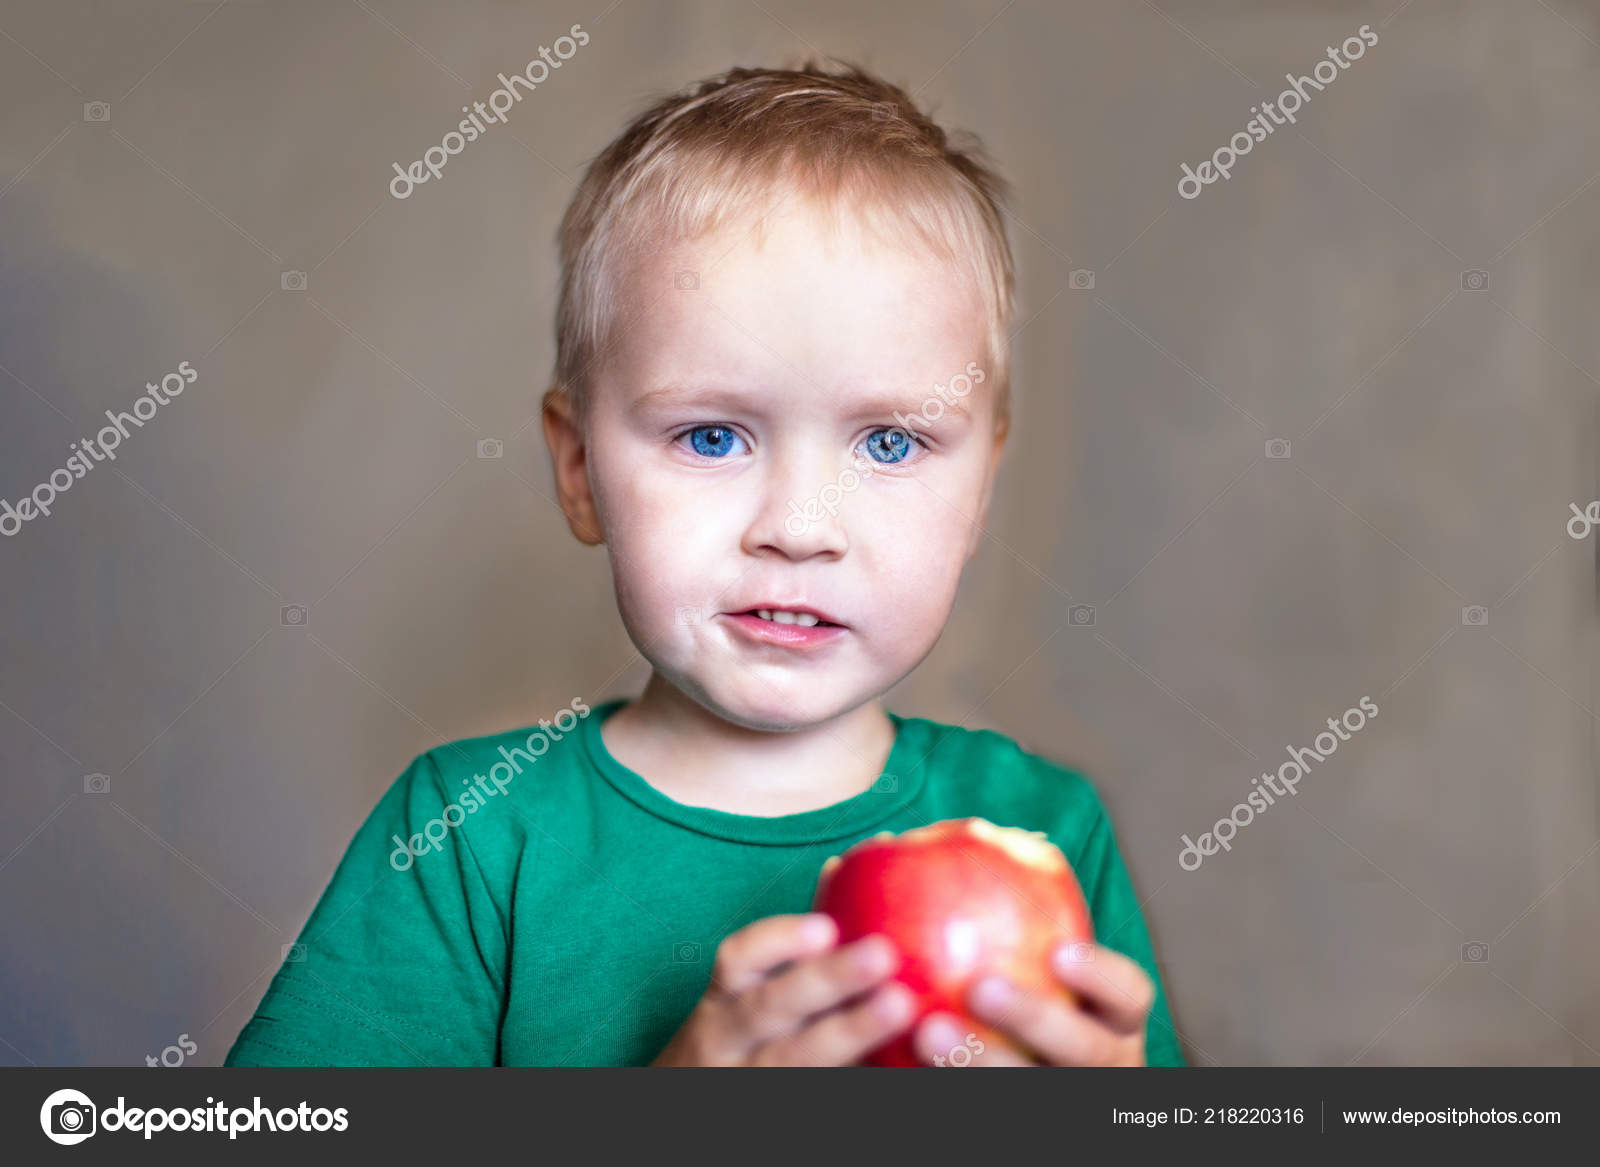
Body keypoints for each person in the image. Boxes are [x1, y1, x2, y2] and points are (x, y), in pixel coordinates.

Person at [226, 62, 1183, 1068]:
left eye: (891, 443)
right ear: (580, 469)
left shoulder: (1044, 832)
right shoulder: (469, 835)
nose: (799, 529)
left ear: (981, 490)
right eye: (713, 437)